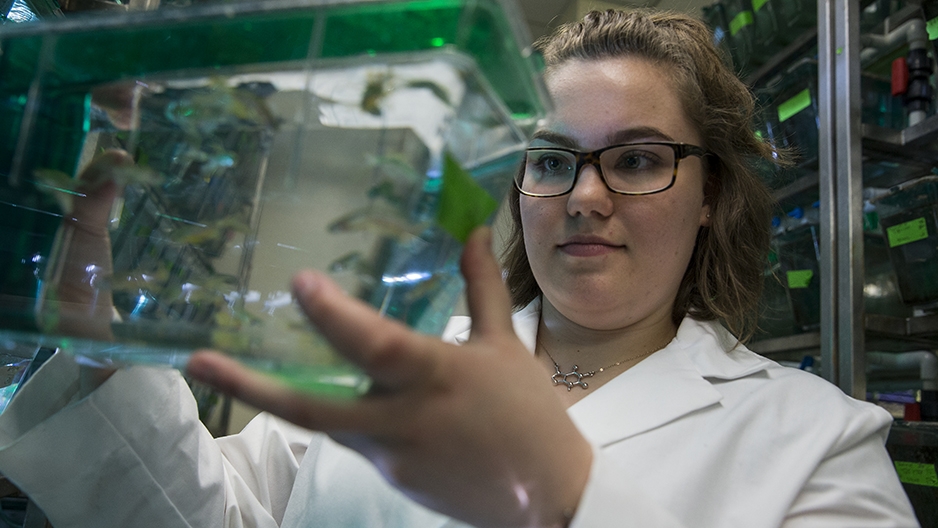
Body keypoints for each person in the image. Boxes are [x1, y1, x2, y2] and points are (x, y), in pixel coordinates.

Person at [0, 8, 920, 528]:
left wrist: (561, 500)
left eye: (637, 160)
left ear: (711, 189)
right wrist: (96, 345)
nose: (584, 197)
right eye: (553, 159)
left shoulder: (819, 442)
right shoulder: (389, 361)